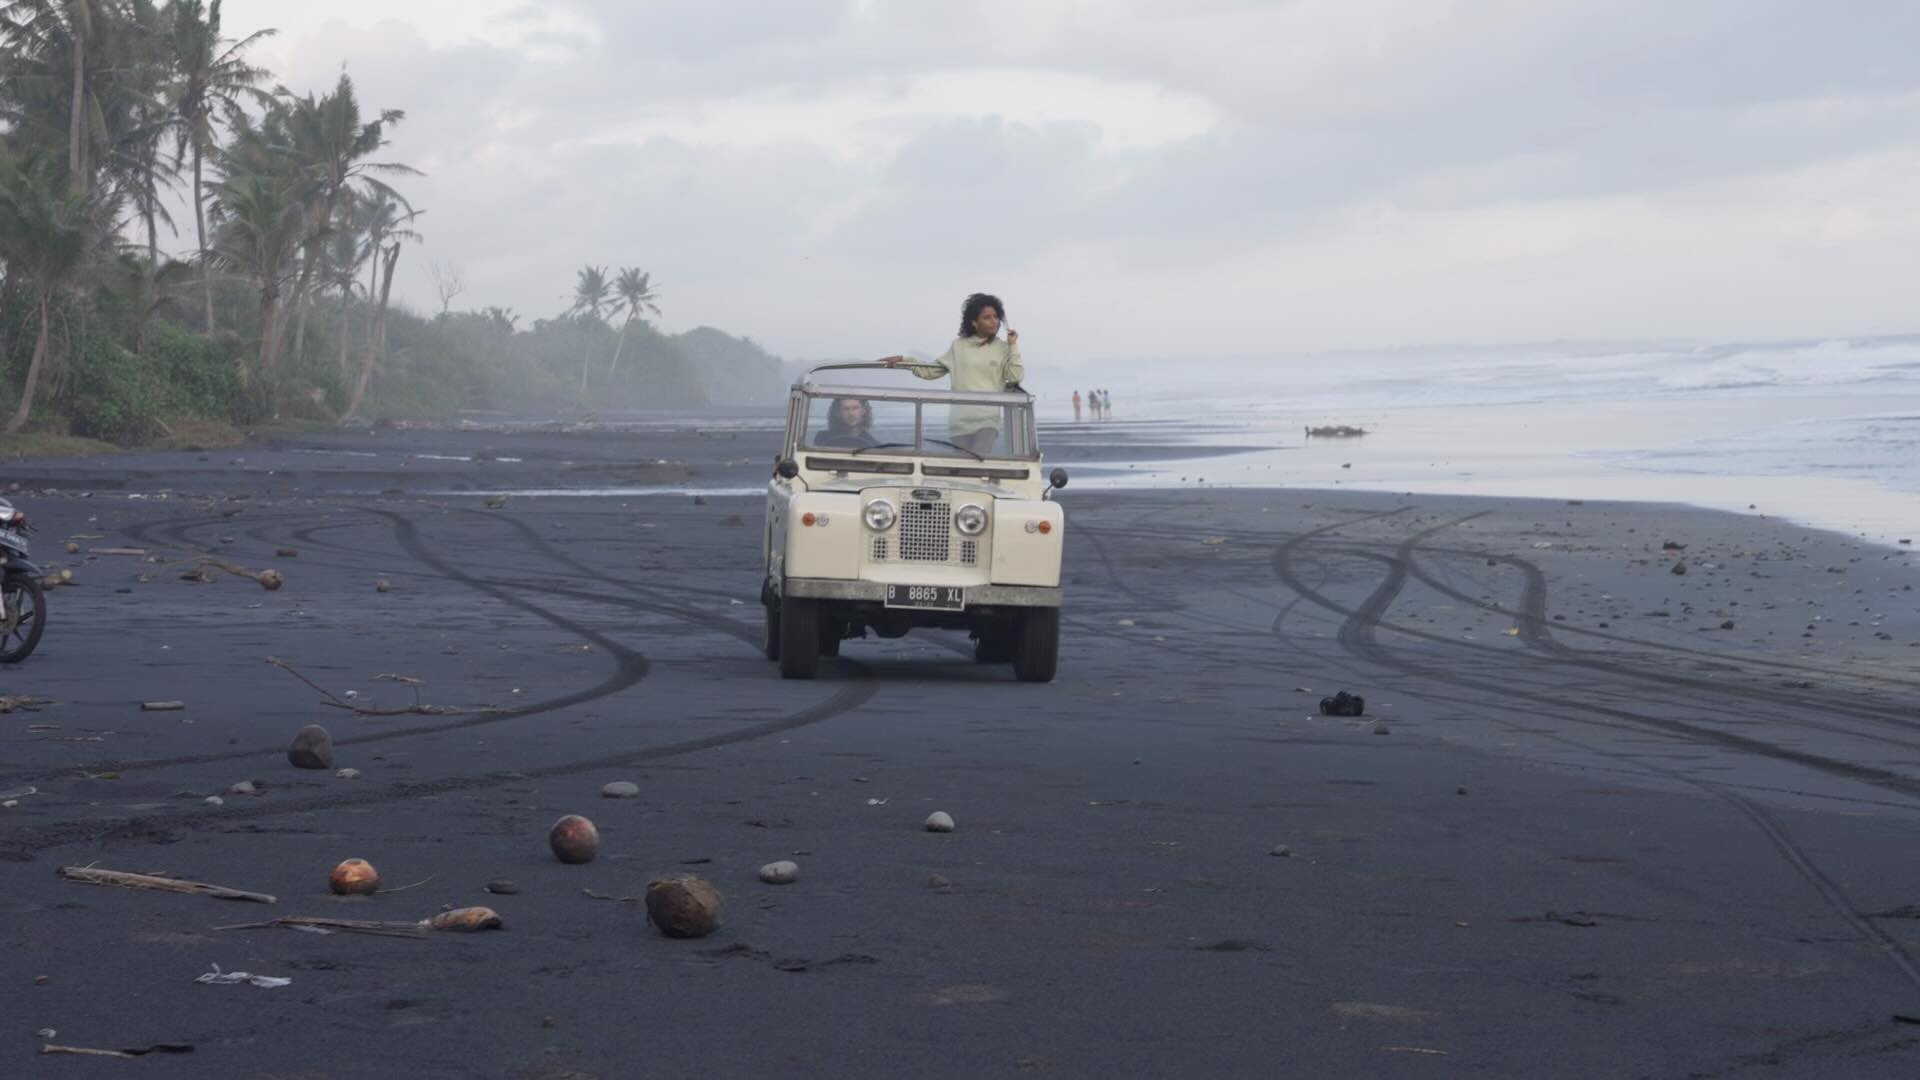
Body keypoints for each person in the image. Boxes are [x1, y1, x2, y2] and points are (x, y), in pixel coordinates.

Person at [880, 293, 1024, 456]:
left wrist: (1013, 346)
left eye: (996, 317)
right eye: (987, 317)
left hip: (987, 420)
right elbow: (931, 371)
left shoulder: (1004, 348)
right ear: (975, 323)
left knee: (979, 459)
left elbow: (1015, 377)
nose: (994, 321)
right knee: (963, 467)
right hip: (959, 420)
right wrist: (905, 361)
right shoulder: (958, 346)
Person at [813, 397, 877, 448]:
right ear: (838, 412)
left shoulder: (873, 444)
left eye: (855, 408)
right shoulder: (822, 438)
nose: (851, 413)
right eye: (846, 409)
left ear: (863, 411)